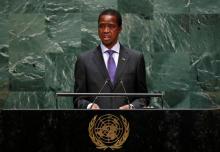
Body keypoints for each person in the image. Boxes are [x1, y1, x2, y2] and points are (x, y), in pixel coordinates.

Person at [74, 9, 149, 109]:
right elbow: (78, 99)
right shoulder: (84, 60)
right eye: (101, 26)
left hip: (128, 122)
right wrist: (89, 106)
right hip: (95, 122)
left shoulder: (136, 59)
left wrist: (131, 107)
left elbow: (144, 98)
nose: (105, 30)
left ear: (120, 28)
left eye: (111, 26)